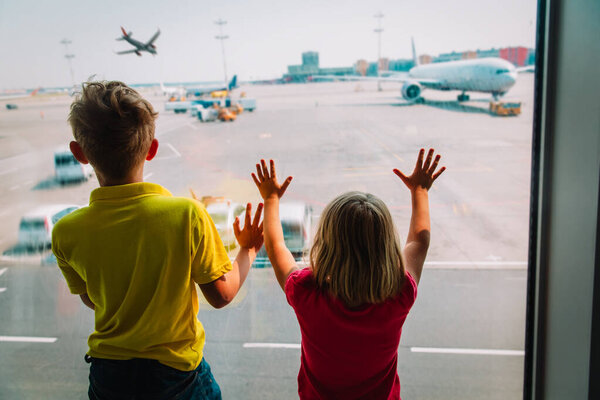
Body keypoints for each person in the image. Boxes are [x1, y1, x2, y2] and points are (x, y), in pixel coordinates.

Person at [51, 81, 264, 400]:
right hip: (174, 377)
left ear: (79, 153)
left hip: (110, 377)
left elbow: (92, 299)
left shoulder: (65, 231)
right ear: (151, 148)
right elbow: (221, 295)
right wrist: (247, 249)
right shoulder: (186, 215)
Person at [251, 149, 445, 399]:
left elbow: (277, 247)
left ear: (326, 243)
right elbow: (420, 241)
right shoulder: (399, 293)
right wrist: (420, 191)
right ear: (386, 245)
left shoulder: (306, 291)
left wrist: (270, 200)